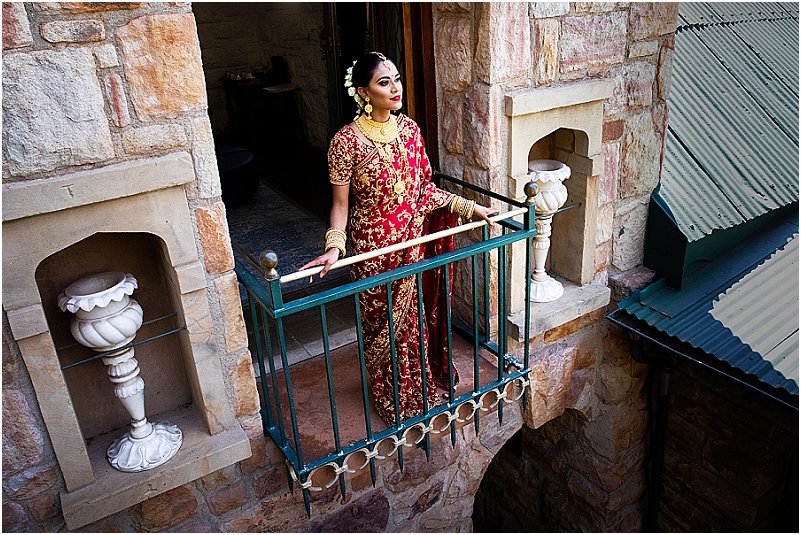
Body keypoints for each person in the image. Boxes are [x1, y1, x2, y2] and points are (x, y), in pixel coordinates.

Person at [300, 52, 498, 427]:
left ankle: (416, 389)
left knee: (415, 320)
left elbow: (424, 190)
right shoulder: (345, 143)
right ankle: (389, 395)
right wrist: (334, 247)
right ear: (363, 92)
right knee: (382, 329)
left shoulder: (409, 131)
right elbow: (340, 205)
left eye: (396, 79)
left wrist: (471, 208)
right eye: (383, 82)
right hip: (374, 251)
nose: (395, 88)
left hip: (411, 242)